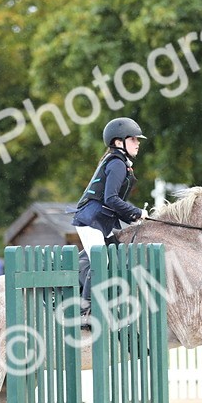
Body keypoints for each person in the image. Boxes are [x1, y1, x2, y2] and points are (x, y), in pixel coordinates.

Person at [72, 117, 149, 309]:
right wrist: (137, 211)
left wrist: (135, 218)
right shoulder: (117, 163)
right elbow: (111, 199)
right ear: (118, 142)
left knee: (116, 256)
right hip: (90, 221)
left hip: (101, 221)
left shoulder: (121, 162)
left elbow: (114, 204)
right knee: (102, 260)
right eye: (133, 139)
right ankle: (86, 307)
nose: (137, 143)